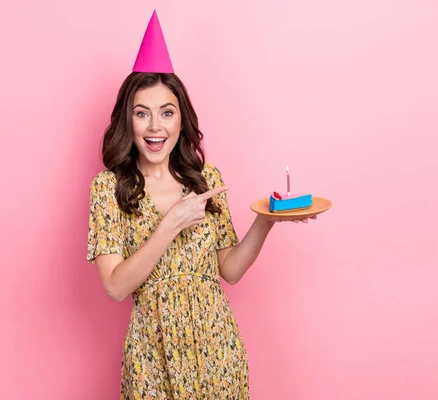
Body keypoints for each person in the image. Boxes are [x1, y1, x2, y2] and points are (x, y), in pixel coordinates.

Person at [86, 11, 316, 399]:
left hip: (217, 349)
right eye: (142, 114)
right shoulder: (109, 188)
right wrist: (170, 224)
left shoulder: (205, 179)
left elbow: (230, 270)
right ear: (129, 120)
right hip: (151, 357)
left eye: (167, 112)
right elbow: (115, 286)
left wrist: (265, 221)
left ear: (181, 120)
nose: (155, 127)